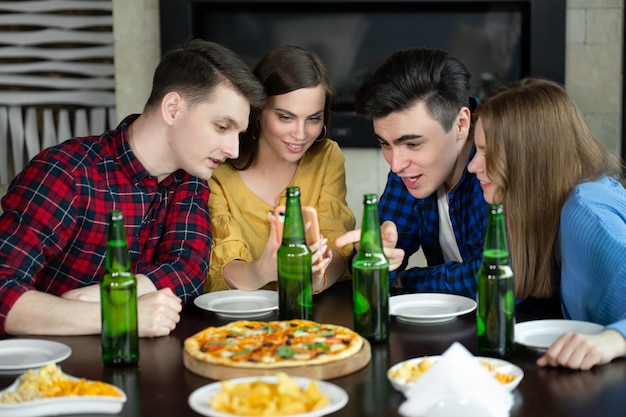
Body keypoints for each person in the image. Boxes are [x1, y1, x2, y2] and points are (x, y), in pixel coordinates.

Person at [0, 39, 266, 337]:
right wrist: (119, 313)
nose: (232, 149)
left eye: (238, 133)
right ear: (173, 109)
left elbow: (188, 270)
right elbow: (3, 292)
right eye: (221, 127)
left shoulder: (190, 179)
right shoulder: (66, 172)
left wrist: (101, 296)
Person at [467, 77, 626, 370]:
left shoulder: (585, 212)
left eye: (486, 151)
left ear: (528, 157)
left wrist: (613, 340)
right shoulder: (540, 208)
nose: (473, 166)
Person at [336, 47, 488, 298]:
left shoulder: (499, 160)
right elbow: (373, 268)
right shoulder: (408, 168)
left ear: (461, 123)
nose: (395, 165)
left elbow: (495, 277)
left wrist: (407, 279)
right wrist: (373, 256)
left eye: (413, 144)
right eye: (384, 143)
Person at [206, 45, 356, 293]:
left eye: (313, 119)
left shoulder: (327, 156)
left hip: (313, 310)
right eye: (285, 117)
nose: (300, 134)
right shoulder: (218, 166)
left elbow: (337, 245)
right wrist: (262, 270)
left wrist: (317, 278)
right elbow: (220, 265)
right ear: (257, 111)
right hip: (239, 316)